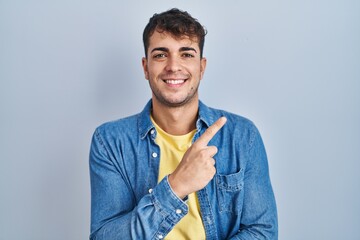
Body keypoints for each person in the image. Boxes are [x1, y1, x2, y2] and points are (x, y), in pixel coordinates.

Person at [89, 8, 278, 240]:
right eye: (160, 55)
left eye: (186, 54)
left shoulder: (242, 136)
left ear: (202, 66)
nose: (173, 66)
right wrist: (176, 186)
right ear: (145, 67)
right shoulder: (109, 142)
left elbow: (262, 233)